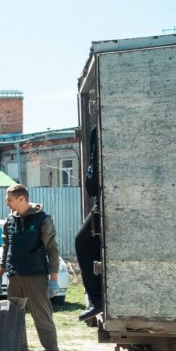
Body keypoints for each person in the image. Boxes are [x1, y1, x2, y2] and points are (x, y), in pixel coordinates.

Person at [0, 184, 61, 351]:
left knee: (42, 319)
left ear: (22, 199)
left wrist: (54, 279)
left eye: (9, 199)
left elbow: (52, 249)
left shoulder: (43, 219)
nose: (7, 203)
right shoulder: (9, 221)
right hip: (15, 277)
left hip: (35, 277)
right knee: (12, 320)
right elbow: (6, 249)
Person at [75, 126, 103, 321]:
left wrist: (91, 182)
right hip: (107, 196)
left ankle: (97, 299)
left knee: (83, 241)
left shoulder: (100, 127)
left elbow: (94, 170)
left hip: (107, 197)